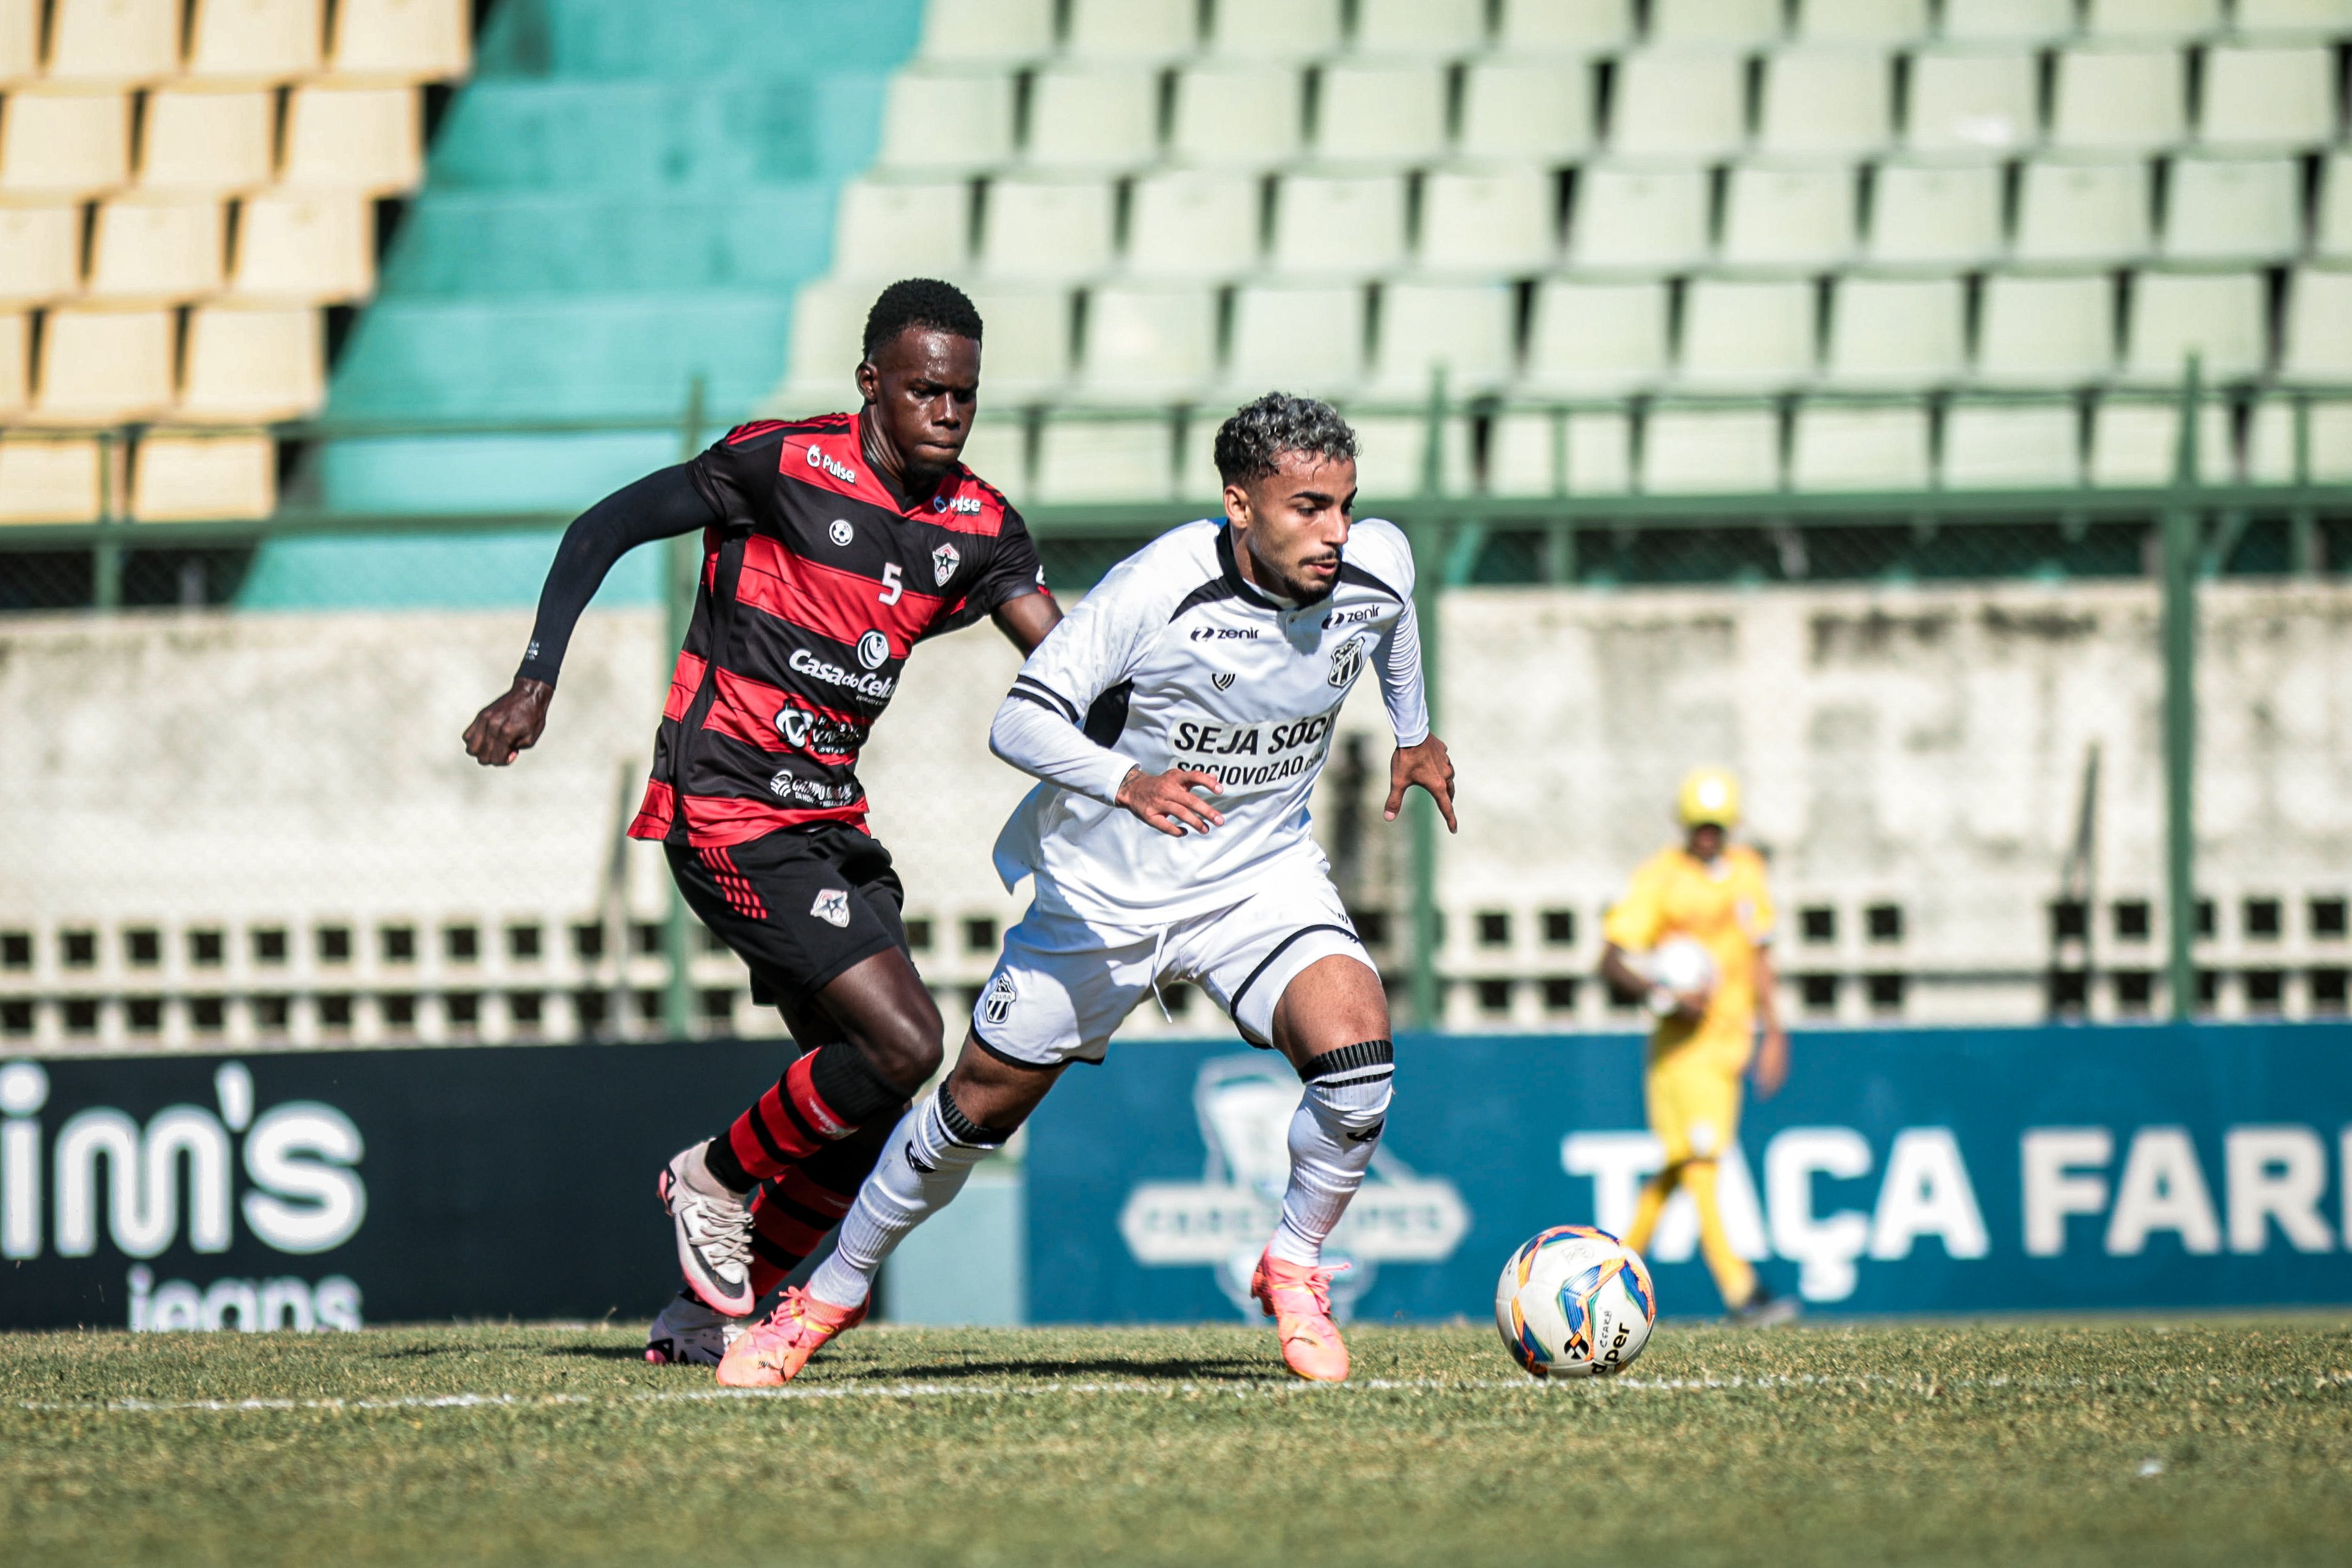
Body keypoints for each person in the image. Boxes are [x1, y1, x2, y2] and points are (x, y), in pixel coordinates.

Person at [708, 392, 1457, 1388]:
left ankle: (1292, 1263)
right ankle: (827, 1295)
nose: (1334, 533)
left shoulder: (1377, 561)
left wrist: (1412, 730)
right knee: (972, 1112)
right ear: (1238, 503)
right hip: (1104, 896)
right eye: (1305, 508)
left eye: (1344, 507)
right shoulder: (1153, 590)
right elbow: (1016, 723)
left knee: (1358, 1059)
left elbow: (1389, 627)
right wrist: (1127, 781)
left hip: (1255, 878)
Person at [460, 279, 1064, 1365]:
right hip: (724, 803)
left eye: (965, 396)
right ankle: (712, 1177)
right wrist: (535, 679)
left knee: (871, 1092)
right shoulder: (780, 464)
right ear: (871, 382)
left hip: (831, 823)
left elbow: (1065, 665)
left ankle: (706, 1319)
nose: (947, 413)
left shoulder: (976, 523)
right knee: (906, 1040)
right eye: (926, 389)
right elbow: (604, 525)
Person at [1598, 767, 1796, 1327]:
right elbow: (1610, 960)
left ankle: (1605, 1272)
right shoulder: (1661, 878)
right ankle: (1741, 1291)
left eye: (1715, 825)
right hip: (1680, 1052)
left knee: (1680, 1164)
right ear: (1684, 826)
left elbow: (1758, 954)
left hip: (1729, 1045)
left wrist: (1774, 1031)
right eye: (1698, 825)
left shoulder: (1748, 873)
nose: (1707, 835)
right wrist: (1661, 990)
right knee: (1702, 1160)